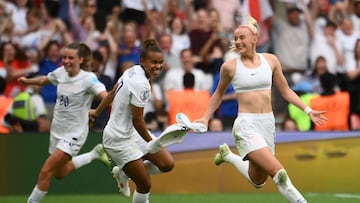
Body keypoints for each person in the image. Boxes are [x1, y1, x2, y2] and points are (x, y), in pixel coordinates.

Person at [195, 16, 327, 203]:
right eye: (236, 38)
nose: (238, 42)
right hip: (245, 125)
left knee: (258, 181)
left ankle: (229, 157)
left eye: (242, 37)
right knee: (279, 172)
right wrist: (205, 117)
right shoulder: (229, 67)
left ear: (254, 39)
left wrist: (308, 110)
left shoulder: (271, 60)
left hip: (267, 123)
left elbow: (286, 91)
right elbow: (217, 95)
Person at [18, 42, 110, 203]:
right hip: (57, 130)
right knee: (59, 173)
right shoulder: (61, 73)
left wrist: (97, 111)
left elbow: (105, 96)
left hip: (75, 133)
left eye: (71, 58)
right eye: (64, 57)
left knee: (46, 171)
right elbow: (45, 79)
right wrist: (28, 82)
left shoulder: (89, 79)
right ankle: (94, 154)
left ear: (80, 59)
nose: (66, 61)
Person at [89, 39, 174, 202]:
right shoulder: (141, 84)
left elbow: (112, 93)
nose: (158, 66)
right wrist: (152, 142)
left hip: (132, 132)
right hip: (118, 139)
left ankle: (123, 173)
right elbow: (137, 120)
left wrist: (96, 112)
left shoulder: (132, 70)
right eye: (154, 62)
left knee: (167, 164)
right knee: (145, 185)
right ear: (142, 61)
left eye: (161, 62)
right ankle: (125, 174)